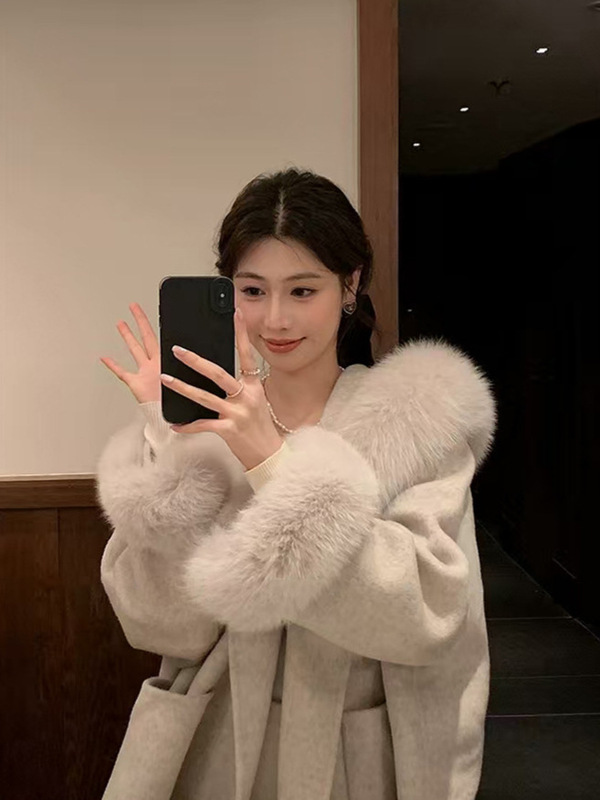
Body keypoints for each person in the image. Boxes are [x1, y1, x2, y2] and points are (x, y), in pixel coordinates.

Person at [96, 167, 497, 800]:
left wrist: (272, 465)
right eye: (252, 291)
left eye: (303, 290)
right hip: (215, 747)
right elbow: (154, 624)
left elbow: (431, 614)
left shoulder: (416, 425)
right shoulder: (205, 431)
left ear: (350, 285)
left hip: (349, 760)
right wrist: (172, 446)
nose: (275, 319)